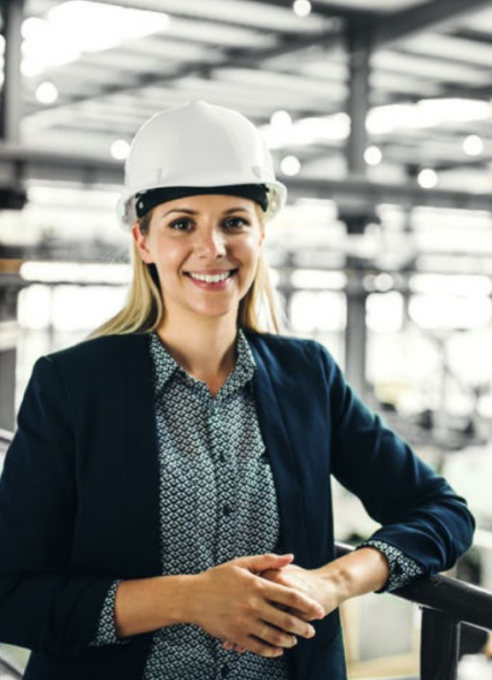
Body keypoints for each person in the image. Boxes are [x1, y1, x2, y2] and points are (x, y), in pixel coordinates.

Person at [0, 100, 474, 680]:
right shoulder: (73, 386)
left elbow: (441, 510)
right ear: (143, 240)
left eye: (234, 221)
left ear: (260, 233)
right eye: (182, 223)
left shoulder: (308, 377)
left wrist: (333, 581)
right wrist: (189, 598)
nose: (213, 247)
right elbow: (12, 594)